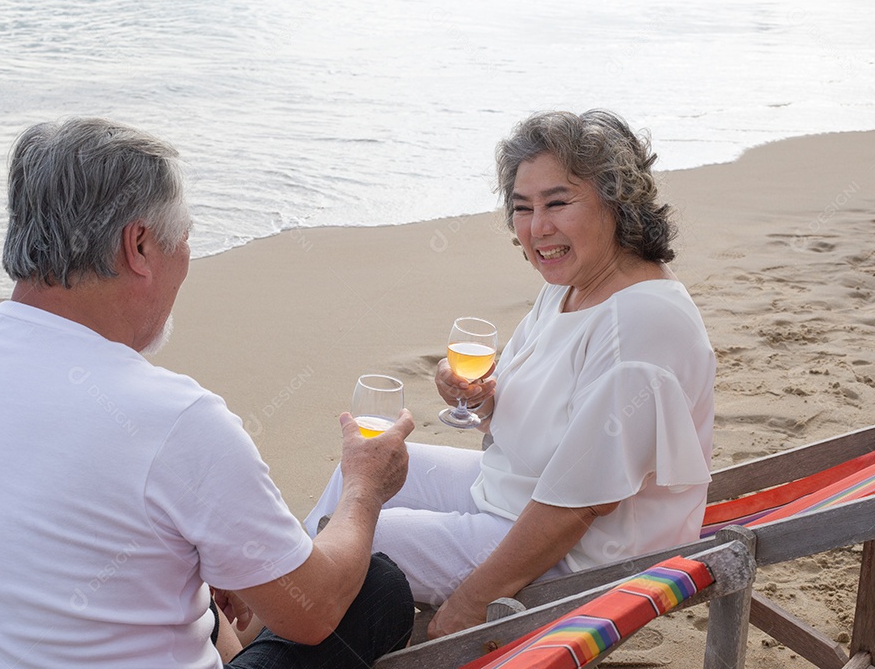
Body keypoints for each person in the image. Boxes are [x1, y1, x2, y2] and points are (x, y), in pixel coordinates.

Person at [0, 117, 415, 669]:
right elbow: (313, 614)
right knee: (378, 589)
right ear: (139, 244)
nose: (186, 256)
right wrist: (363, 487)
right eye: (184, 237)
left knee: (181, 568)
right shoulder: (176, 419)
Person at [305, 109, 716, 639]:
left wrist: (473, 602)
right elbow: (532, 408)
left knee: (337, 540)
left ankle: (250, 644)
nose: (536, 227)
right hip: (512, 491)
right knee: (356, 473)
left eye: (558, 203)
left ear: (618, 203)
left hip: (583, 553)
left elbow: (582, 506)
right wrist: (479, 398)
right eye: (522, 208)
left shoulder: (638, 325)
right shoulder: (569, 287)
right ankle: (259, 633)